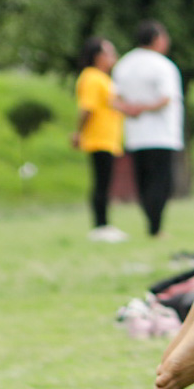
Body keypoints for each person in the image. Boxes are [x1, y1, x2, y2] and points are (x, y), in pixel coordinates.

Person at [111, 20, 185, 240]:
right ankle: (155, 227)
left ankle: (151, 224)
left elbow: (114, 98)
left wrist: (130, 109)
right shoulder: (163, 65)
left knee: (143, 183)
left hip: (136, 135)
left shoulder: (124, 64)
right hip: (162, 134)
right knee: (161, 183)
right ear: (156, 39)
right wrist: (143, 107)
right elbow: (165, 99)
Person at [72, 36, 126, 242]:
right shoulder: (91, 77)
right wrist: (79, 133)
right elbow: (86, 109)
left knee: (105, 182)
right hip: (98, 138)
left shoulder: (103, 78)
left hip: (108, 138)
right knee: (101, 183)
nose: (113, 57)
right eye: (109, 52)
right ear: (97, 56)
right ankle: (100, 226)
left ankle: (104, 224)